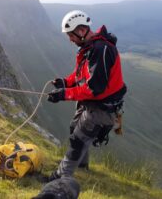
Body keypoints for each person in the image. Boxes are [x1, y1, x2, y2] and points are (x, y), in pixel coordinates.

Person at [47, 10, 126, 180]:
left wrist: (64, 94)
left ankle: (59, 177)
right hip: (91, 103)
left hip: (101, 108)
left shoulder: (100, 50)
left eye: (71, 35)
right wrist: (65, 82)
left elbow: (94, 89)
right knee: (74, 129)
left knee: (78, 140)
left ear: (82, 30)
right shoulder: (90, 48)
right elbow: (80, 75)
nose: (70, 39)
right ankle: (81, 167)